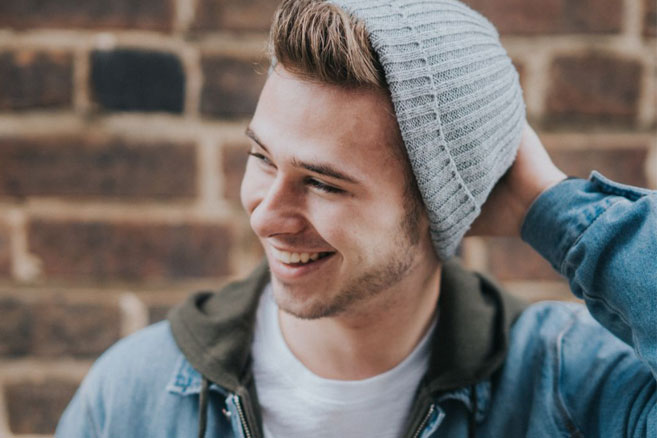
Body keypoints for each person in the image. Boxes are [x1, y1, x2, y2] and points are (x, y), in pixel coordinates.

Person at [57, 0, 657, 437]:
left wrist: (548, 207)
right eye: (262, 158)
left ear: (433, 207)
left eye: (322, 183)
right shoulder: (136, 393)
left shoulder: (570, 387)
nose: (267, 215)